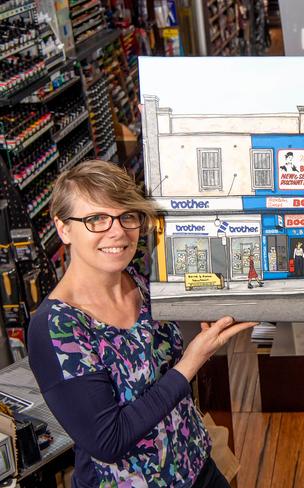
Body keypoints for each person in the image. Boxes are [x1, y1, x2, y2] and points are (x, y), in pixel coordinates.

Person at [27, 160, 256, 488]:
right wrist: (192, 361)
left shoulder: (143, 283)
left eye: (127, 216)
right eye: (97, 219)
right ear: (64, 228)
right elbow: (109, 440)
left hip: (197, 467)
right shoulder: (56, 328)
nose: (117, 231)